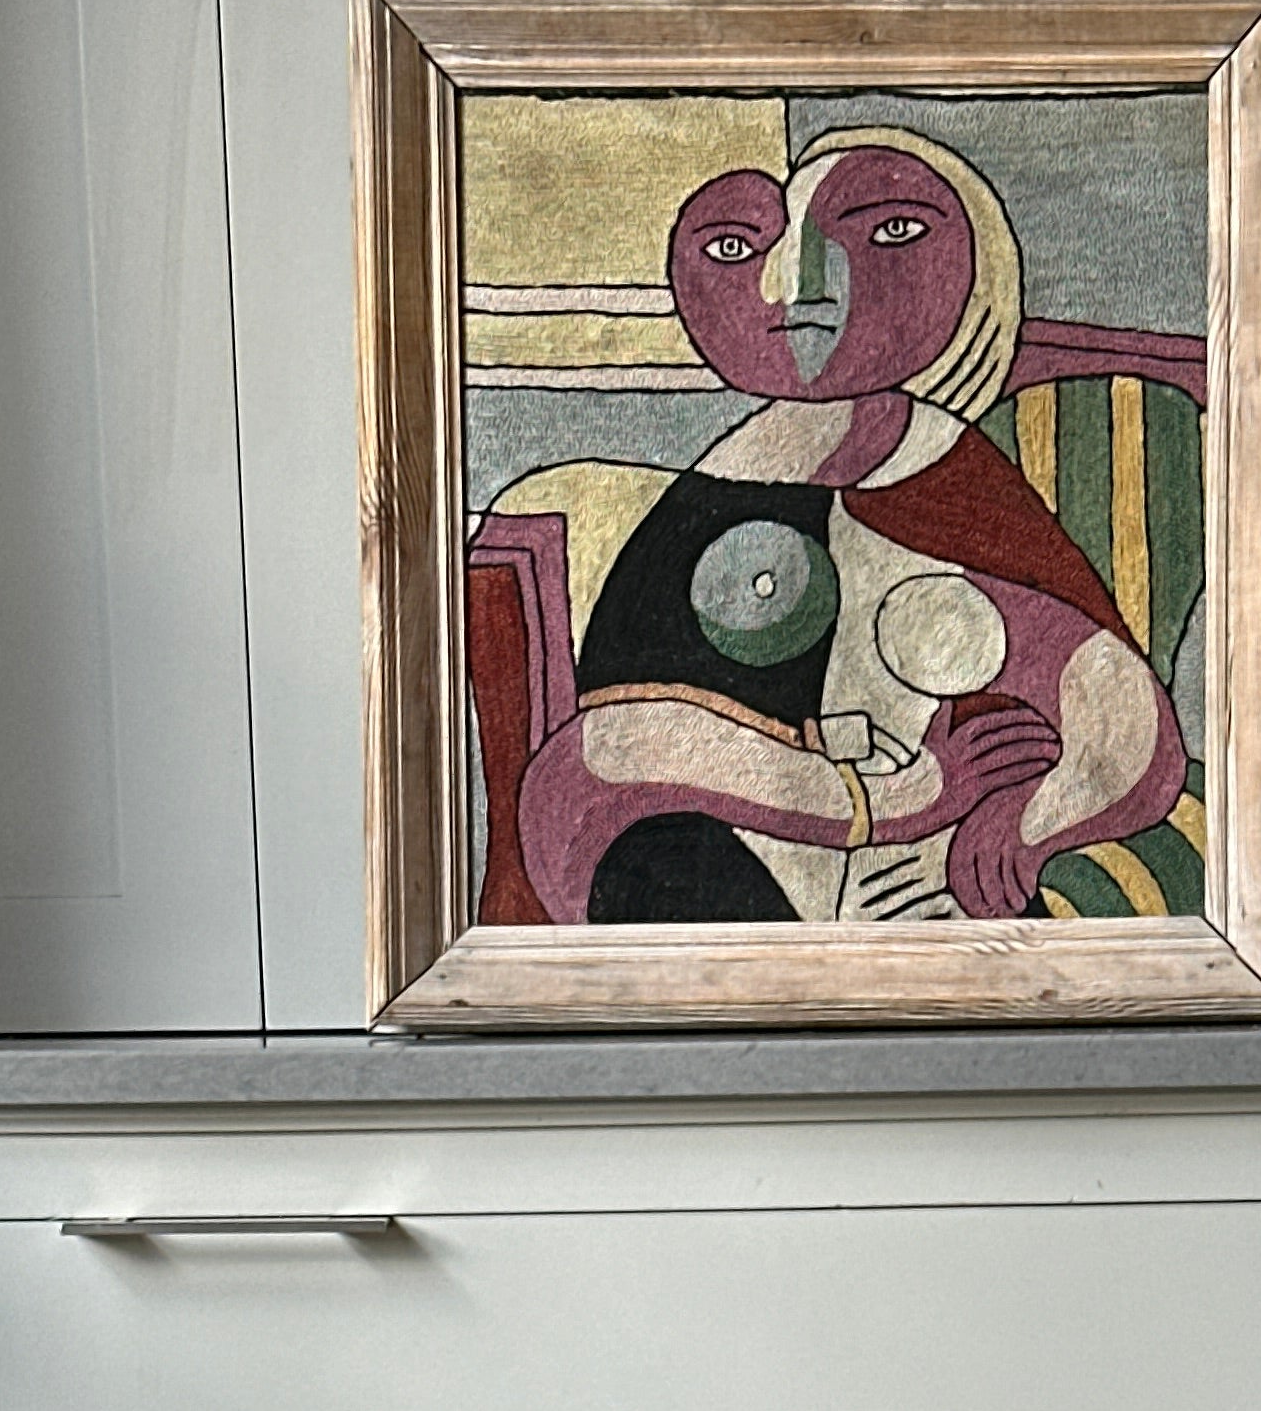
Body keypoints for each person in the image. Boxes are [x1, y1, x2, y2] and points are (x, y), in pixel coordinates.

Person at [506, 129, 1187, 926]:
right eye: (735, 246)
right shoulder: (717, 491)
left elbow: (1124, 719)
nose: (801, 290)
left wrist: (1029, 824)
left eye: (889, 232)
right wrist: (889, 799)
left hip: (921, 896)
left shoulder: (945, 477)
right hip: (724, 882)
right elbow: (601, 763)